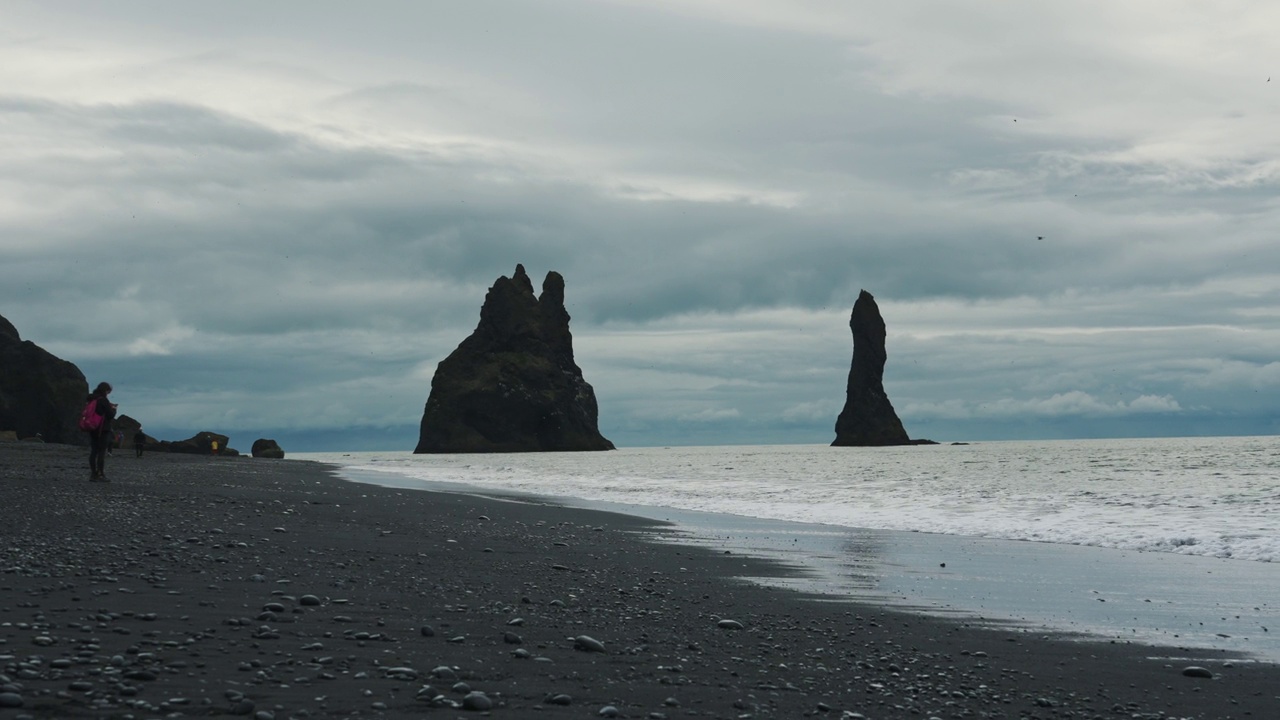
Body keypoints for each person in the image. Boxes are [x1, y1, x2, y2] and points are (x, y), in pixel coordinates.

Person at [86, 382, 117, 481]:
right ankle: (100, 474)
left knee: (94, 451)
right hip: (103, 428)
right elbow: (110, 415)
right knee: (101, 451)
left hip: (92, 427)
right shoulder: (103, 400)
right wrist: (114, 409)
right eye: (108, 391)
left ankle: (93, 474)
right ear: (106, 390)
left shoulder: (92, 399)